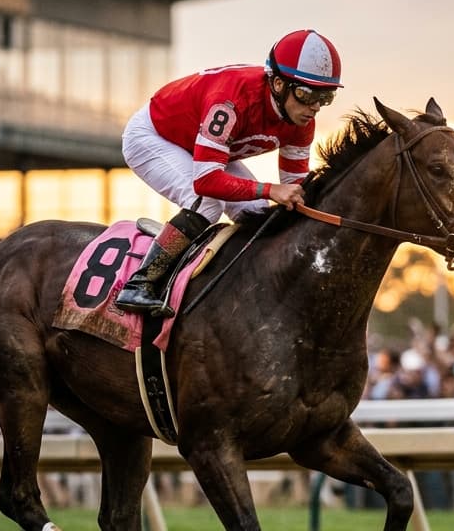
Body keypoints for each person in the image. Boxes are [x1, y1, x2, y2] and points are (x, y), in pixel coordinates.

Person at [114, 29, 344, 316]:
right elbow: (206, 180)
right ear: (277, 83)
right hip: (155, 137)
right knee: (207, 203)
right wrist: (271, 189)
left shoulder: (302, 123)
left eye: (325, 96)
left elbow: (294, 190)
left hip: (206, 147)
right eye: (306, 93)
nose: (314, 107)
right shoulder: (231, 100)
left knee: (258, 212)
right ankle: (139, 284)